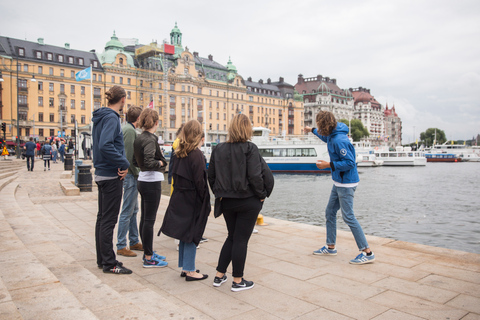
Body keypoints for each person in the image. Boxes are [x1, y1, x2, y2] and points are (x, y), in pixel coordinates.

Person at [208, 114, 274, 291]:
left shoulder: (218, 149)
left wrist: (220, 192)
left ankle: (219, 275)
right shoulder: (250, 148)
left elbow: (211, 176)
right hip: (247, 200)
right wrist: (261, 194)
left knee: (232, 237)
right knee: (241, 240)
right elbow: (255, 175)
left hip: (227, 201)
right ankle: (238, 281)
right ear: (247, 129)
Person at [305, 111, 375, 265]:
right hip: (339, 181)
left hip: (347, 183)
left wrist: (328, 165)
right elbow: (325, 137)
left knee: (348, 216)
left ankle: (367, 252)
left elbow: (350, 162)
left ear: (325, 125)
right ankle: (331, 247)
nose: (319, 128)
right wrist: (311, 131)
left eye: (319, 126)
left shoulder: (340, 140)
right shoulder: (332, 133)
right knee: (330, 212)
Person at [160, 120, 210, 281]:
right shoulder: (196, 154)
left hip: (180, 196)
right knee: (191, 233)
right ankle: (190, 270)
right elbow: (200, 182)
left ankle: (185, 266)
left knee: (183, 233)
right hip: (192, 199)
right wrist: (205, 200)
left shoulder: (179, 152)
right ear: (198, 135)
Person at [92, 85, 132, 275]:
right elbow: (105, 145)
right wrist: (124, 163)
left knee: (102, 219)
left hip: (102, 173)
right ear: (122, 99)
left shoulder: (101, 116)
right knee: (108, 220)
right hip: (110, 175)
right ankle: (109, 263)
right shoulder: (111, 118)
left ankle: (103, 259)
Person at [133, 108, 168, 268]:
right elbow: (148, 162)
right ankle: (148, 257)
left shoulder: (139, 137)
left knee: (144, 219)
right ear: (156, 122)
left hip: (142, 180)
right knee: (149, 220)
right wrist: (160, 163)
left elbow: (135, 161)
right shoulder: (150, 139)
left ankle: (149, 252)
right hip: (151, 182)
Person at [116, 106, 143, 258]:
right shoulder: (130, 131)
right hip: (131, 176)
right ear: (138, 119)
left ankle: (133, 240)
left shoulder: (126, 128)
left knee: (133, 210)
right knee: (127, 211)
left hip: (131, 175)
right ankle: (121, 245)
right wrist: (137, 173)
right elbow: (130, 156)